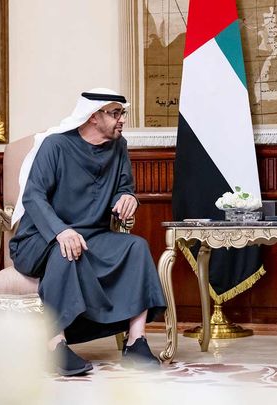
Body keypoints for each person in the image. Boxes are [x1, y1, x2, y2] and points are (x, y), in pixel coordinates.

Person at [9, 88, 166, 376]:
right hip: (40, 238)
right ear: (93, 116)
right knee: (67, 250)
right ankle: (55, 345)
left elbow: (123, 187)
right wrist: (60, 231)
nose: (122, 120)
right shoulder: (55, 146)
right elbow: (34, 197)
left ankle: (136, 341)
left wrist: (128, 197)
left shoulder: (119, 147)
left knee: (136, 247)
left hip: (92, 235)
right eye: (116, 113)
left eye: (123, 113)